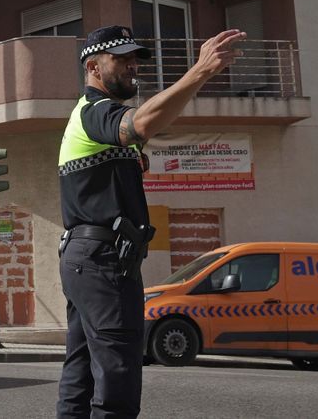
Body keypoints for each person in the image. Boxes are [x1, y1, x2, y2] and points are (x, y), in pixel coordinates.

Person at [56, 24, 246, 419]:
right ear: (93, 67)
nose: (133, 66)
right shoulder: (94, 112)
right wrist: (200, 71)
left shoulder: (91, 117)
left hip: (87, 258)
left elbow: (149, 123)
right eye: (121, 59)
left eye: (135, 59)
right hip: (102, 260)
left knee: (81, 374)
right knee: (117, 381)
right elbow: (141, 124)